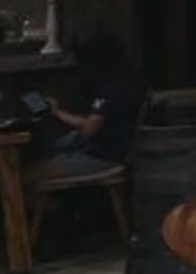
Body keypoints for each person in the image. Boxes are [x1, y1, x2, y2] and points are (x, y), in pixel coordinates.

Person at [34, 36, 143, 183]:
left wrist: (69, 136)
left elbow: (90, 128)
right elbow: (93, 120)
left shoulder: (110, 90)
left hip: (103, 158)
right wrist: (58, 113)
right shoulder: (125, 82)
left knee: (30, 172)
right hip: (112, 154)